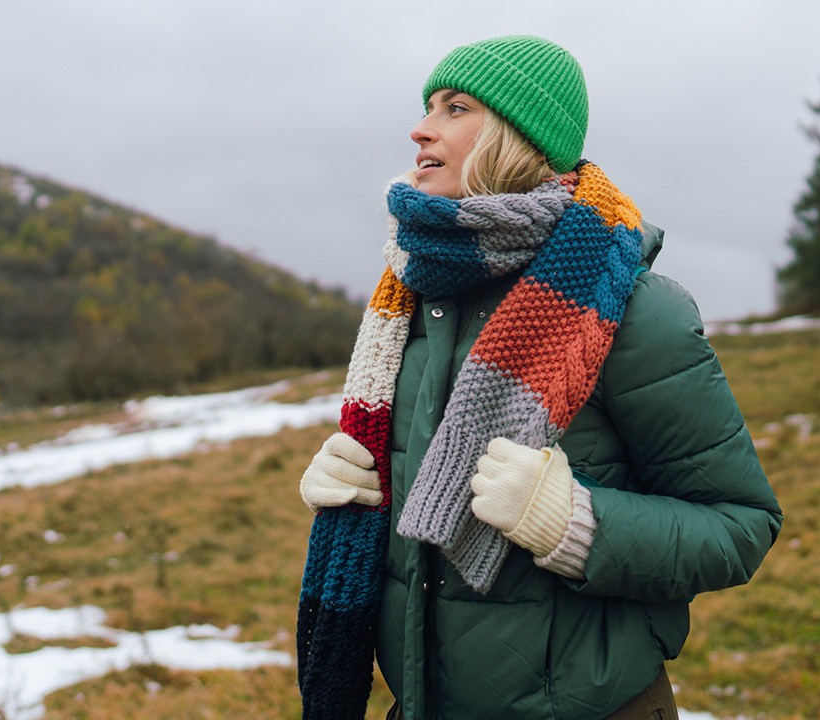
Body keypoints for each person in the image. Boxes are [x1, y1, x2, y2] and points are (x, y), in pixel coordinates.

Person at [296, 35, 782, 720]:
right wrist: (345, 489)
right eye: (428, 105)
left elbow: (740, 526)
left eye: (454, 107)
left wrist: (578, 524)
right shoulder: (410, 294)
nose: (420, 127)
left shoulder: (633, 311)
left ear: (517, 136)